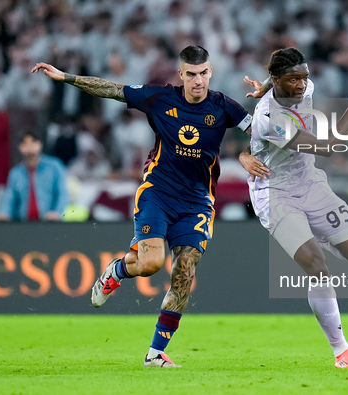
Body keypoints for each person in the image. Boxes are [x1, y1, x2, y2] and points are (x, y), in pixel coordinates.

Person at [32, 45, 255, 368]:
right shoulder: (159, 98)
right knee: (150, 263)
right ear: (181, 74)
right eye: (191, 74)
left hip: (197, 203)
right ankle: (118, 270)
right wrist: (66, 77)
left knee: (184, 271)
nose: (198, 81)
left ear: (211, 72)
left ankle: (156, 353)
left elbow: (260, 132)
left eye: (203, 73)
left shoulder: (224, 106)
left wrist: (249, 154)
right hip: (158, 194)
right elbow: (111, 89)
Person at [240, 48, 348, 369]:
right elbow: (329, 148)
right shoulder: (270, 121)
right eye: (294, 80)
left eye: (305, 77)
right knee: (317, 267)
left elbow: (283, 79)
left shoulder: (300, 84)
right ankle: (342, 351)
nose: (303, 85)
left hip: (311, 184)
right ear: (280, 80)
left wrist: (264, 84)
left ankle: (314, 235)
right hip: (276, 193)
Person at [0, 133, 69, 222]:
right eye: (26, 144)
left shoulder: (54, 167)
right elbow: (9, 197)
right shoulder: (16, 173)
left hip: (49, 222)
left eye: (32, 143)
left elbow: (62, 193)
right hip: (25, 223)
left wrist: (57, 212)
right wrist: (5, 213)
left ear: (39, 145)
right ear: (21, 148)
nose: (29, 148)